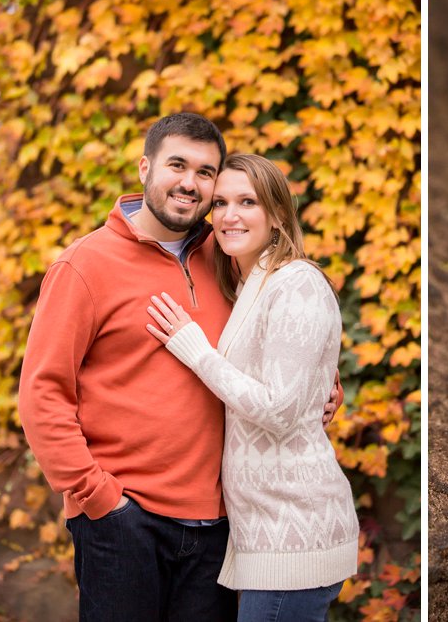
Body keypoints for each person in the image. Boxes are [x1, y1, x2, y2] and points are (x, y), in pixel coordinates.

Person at [18, 114, 341, 621]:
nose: (190, 182)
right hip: (125, 518)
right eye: (177, 165)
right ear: (146, 167)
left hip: (216, 524)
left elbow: (282, 327)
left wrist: (320, 384)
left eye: (205, 171)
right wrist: (97, 497)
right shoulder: (84, 266)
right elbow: (42, 394)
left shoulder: (227, 253)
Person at [145, 154, 359, 622]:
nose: (229, 215)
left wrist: (196, 350)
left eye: (248, 202)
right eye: (220, 203)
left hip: (296, 532)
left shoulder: (295, 283)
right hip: (264, 534)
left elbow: (279, 411)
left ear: (278, 215)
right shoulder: (249, 287)